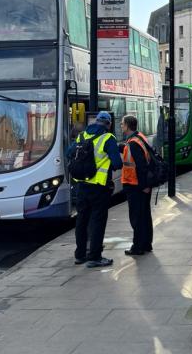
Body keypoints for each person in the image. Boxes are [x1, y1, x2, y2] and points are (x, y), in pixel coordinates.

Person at [68, 112, 123, 268]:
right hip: (99, 186)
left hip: (81, 185)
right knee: (97, 220)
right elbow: (118, 163)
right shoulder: (108, 138)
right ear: (109, 124)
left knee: (81, 220)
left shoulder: (82, 136)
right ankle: (95, 256)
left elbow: (69, 153)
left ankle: (80, 255)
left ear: (96, 121)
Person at [120, 114, 155, 256]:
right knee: (145, 215)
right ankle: (146, 244)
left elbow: (141, 166)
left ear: (127, 126)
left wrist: (144, 185)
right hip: (141, 185)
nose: (121, 126)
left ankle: (138, 246)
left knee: (137, 217)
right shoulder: (139, 137)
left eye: (122, 124)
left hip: (136, 185)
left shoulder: (133, 143)